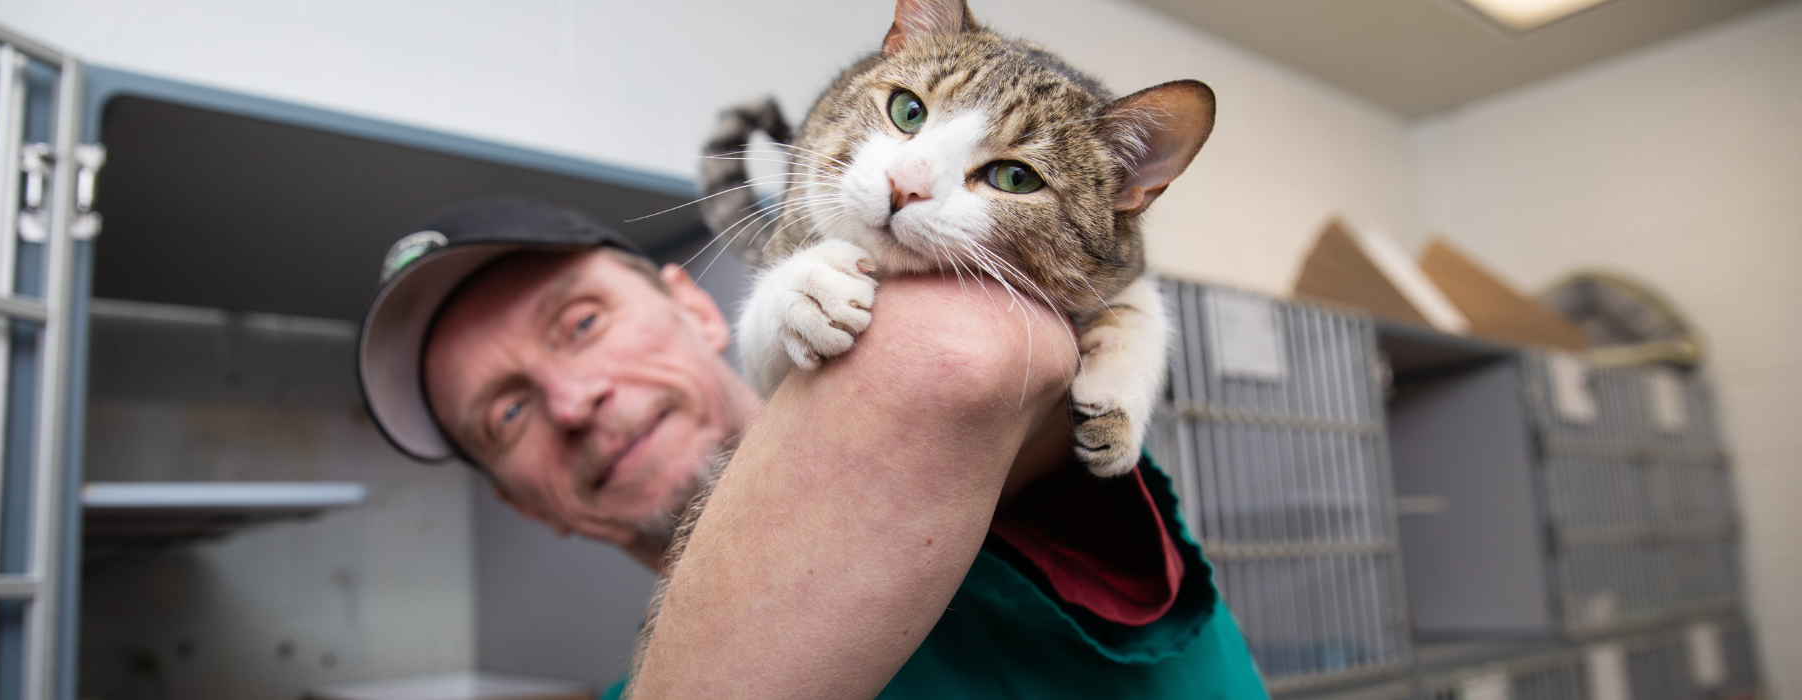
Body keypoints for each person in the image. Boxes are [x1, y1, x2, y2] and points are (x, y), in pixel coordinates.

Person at [357, 195, 1267, 699]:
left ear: (696, 306)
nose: (571, 401)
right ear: (521, 505)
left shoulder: (995, 501)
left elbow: (957, 355)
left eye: (581, 322)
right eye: (505, 416)